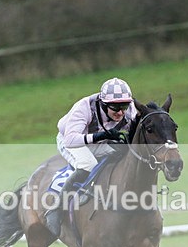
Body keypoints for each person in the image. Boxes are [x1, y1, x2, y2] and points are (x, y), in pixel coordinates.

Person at [46, 77, 138, 233]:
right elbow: (70, 140)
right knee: (87, 164)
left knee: (122, 152)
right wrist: (100, 136)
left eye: (124, 106)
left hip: (98, 141)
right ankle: (56, 209)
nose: (121, 112)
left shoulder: (130, 110)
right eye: (115, 108)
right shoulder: (84, 108)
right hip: (72, 141)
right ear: (103, 104)